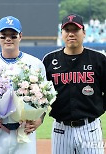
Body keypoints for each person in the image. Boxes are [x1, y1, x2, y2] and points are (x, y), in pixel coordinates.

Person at [0, 16, 46, 154]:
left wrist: (40, 119)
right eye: (4, 35)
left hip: (25, 132)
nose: (8, 39)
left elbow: (44, 99)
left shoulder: (35, 63)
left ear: (20, 36)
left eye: (13, 35)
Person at [42, 13, 106, 154]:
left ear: (84, 32)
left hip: (90, 128)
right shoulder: (49, 60)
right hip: (60, 129)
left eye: (75, 30)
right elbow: (41, 96)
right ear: (62, 33)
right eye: (67, 30)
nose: (71, 34)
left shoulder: (98, 59)